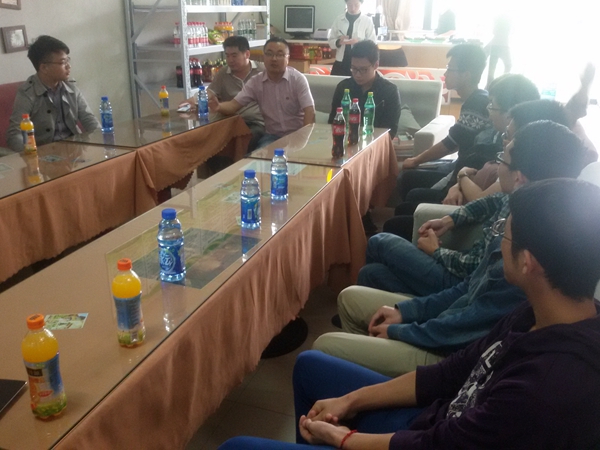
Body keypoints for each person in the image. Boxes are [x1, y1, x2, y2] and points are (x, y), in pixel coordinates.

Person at [218, 178, 600, 449]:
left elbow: (441, 444)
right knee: (310, 366)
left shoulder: (550, 386)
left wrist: (346, 439)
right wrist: (352, 400)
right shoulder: (534, 313)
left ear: (529, 262)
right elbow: (450, 372)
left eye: (505, 233)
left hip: (429, 438)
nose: (498, 241)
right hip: (433, 419)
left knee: (236, 446)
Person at [313, 121, 588, 378]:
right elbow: (468, 291)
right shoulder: (521, 210)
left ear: (520, 178)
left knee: (322, 349)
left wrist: (404, 330)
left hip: (451, 356)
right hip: (448, 326)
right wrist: (406, 312)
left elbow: (466, 326)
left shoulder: (528, 252)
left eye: (502, 159)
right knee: (357, 289)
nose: (497, 167)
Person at [362, 106, 572, 299]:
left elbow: (476, 268)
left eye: (503, 156)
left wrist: (436, 251)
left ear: (519, 175)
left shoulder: (522, 220)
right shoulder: (523, 195)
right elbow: (491, 201)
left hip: (461, 282)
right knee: (371, 273)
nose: (503, 143)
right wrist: (450, 220)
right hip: (462, 273)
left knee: (379, 241)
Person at [385, 73, 540, 238]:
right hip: (461, 198)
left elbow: (480, 198)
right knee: (407, 197)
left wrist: (462, 175)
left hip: (466, 215)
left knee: (397, 219)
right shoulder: (497, 136)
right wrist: (457, 185)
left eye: (492, 106)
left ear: (509, 113)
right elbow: (475, 169)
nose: (488, 112)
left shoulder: (516, 161)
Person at [398, 44, 490, 203]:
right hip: (460, 166)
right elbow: (457, 141)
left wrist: (415, 160)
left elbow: (450, 144)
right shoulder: (476, 99)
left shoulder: (476, 103)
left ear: (466, 75)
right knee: (408, 177)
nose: (445, 74)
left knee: (408, 182)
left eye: (450, 69)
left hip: (466, 173)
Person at [209, 36, 315, 149]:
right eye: (269, 54)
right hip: (272, 136)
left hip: (297, 134)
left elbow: (310, 111)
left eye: (280, 55)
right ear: (264, 57)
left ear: (288, 58)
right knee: (260, 156)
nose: (274, 59)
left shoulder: (297, 79)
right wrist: (218, 107)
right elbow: (233, 105)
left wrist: (303, 138)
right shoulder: (256, 82)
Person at [6, 35, 98, 152]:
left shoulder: (71, 87)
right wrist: (32, 155)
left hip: (75, 151)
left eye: (68, 60)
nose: (68, 66)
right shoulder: (27, 93)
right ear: (44, 68)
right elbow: (14, 134)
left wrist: (104, 139)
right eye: (63, 62)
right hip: (45, 155)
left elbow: (89, 119)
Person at [180, 36, 265, 152]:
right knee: (204, 138)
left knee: (246, 138)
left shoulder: (262, 71)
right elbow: (210, 92)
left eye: (234, 56)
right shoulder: (223, 73)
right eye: (227, 56)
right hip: (230, 120)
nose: (230, 60)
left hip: (255, 122)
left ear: (247, 54)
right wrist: (192, 100)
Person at [327, 40, 401, 138]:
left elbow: (390, 132)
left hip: (376, 142)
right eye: (354, 69)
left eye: (363, 70)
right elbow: (332, 123)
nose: (357, 74)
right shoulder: (343, 87)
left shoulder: (389, 91)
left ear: (376, 65)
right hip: (346, 141)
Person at [328, 0, 376, 77]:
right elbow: (331, 41)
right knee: (336, 82)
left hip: (359, 63)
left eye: (356, 5)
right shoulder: (339, 20)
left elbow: (372, 43)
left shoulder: (367, 21)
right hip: (341, 62)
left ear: (361, 3)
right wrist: (339, 41)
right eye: (350, 5)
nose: (353, 8)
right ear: (346, 4)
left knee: (358, 83)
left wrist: (358, 43)